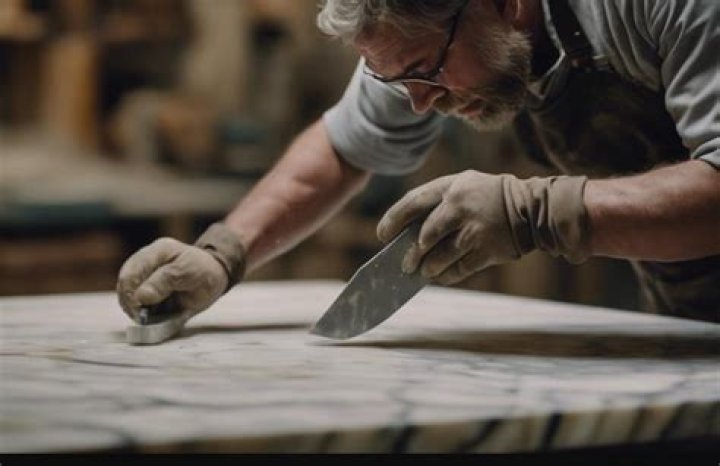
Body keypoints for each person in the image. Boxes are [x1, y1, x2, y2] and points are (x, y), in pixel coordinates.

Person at [117, 0, 719, 325]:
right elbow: (342, 147)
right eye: (397, 80)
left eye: (424, 72)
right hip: (689, 321)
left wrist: (535, 213)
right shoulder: (424, 37)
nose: (419, 103)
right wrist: (222, 254)